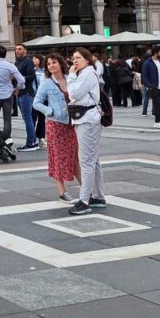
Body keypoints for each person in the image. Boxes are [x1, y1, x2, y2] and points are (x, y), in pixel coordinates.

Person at [33, 53, 81, 202]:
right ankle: (62, 192)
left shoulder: (70, 78)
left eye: (54, 62)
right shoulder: (46, 82)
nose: (51, 65)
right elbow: (36, 102)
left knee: (74, 157)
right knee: (58, 157)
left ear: (60, 63)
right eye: (48, 64)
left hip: (72, 123)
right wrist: (50, 111)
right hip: (55, 124)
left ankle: (86, 189)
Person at [67, 47, 106, 215]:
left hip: (88, 120)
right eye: (73, 58)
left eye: (79, 58)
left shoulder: (87, 73)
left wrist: (71, 76)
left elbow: (74, 93)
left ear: (87, 60)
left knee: (86, 161)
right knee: (93, 159)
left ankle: (85, 200)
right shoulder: (86, 73)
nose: (75, 61)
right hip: (86, 118)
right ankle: (98, 196)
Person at [0, 46, 25, 150]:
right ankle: (7, 142)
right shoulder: (10, 66)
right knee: (7, 120)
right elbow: (21, 80)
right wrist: (17, 88)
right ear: (5, 54)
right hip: (7, 94)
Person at [14, 44, 38, 151]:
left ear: (25, 50)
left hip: (26, 93)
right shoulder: (17, 62)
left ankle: (31, 142)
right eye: (16, 49)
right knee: (26, 118)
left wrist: (21, 79)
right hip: (20, 93)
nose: (17, 51)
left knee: (27, 118)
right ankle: (31, 141)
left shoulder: (27, 61)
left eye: (20, 49)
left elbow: (32, 76)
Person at [142, 46, 160, 128]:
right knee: (157, 104)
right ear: (156, 52)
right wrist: (150, 86)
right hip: (154, 87)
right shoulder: (148, 63)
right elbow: (144, 76)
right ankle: (157, 121)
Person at [32, 53, 47, 149]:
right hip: (34, 97)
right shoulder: (32, 71)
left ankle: (41, 137)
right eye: (33, 58)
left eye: (35, 58)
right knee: (32, 118)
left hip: (44, 98)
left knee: (42, 119)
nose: (33, 60)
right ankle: (32, 137)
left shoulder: (44, 71)